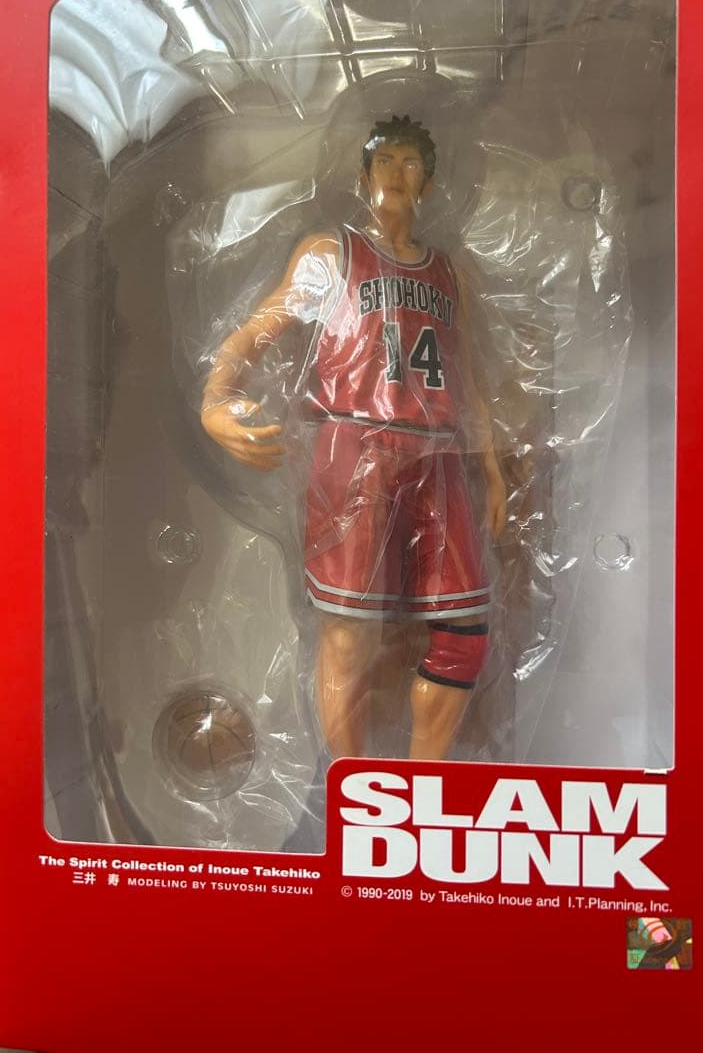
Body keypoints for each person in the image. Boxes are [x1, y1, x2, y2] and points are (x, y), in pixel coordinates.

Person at [201, 115, 506, 761]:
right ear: (364, 175)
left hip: (439, 453)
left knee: (465, 633)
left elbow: (469, 379)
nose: (397, 172)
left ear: (428, 183)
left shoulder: (450, 273)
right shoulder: (331, 252)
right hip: (355, 448)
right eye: (385, 160)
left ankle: (420, 785)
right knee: (349, 635)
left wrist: (493, 471)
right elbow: (258, 330)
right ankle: (353, 784)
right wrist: (214, 399)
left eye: (411, 163)